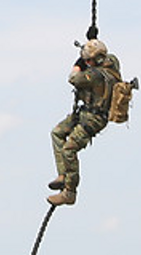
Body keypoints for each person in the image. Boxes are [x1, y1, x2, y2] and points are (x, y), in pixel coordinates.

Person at [48, 38, 121, 206]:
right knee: (57, 133)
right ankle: (63, 175)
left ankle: (70, 191)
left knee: (69, 149)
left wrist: (80, 61)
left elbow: (74, 78)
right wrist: (91, 44)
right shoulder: (113, 64)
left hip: (93, 118)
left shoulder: (93, 75)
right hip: (85, 113)